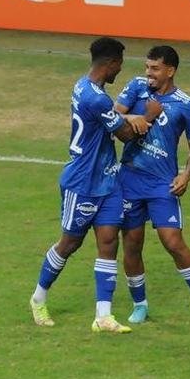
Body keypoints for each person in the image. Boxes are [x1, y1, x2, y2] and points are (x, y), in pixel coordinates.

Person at [29, 37, 159, 334]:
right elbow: (126, 135)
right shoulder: (96, 98)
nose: (120, 71)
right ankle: (38, 298)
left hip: (108, 180)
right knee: (70, 243)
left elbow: (111, 119)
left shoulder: (85, 87)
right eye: (119, 65)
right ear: (110, 63)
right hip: (82, 181)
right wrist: (148, 115)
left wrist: (129, 116)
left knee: (109, 241)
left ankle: (103, 315)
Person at [115, 45, 190, 326]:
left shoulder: (187, 104)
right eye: (147, 68)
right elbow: (112, 118)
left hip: (162, 183)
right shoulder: (136, 88)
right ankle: (140, 305)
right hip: (129, 178)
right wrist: (137, 117)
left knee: (173, 242)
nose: (148, 74)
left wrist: (186, 175)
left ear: (170, 71)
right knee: (132, 244)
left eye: (154, 68)